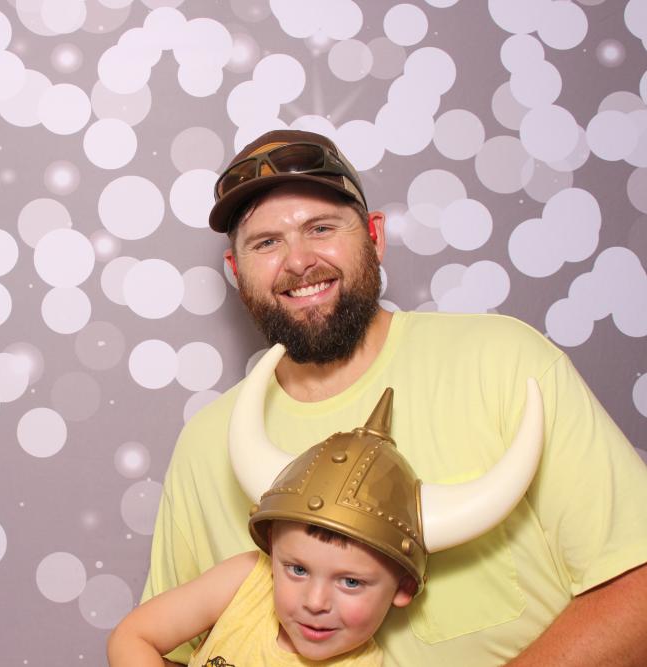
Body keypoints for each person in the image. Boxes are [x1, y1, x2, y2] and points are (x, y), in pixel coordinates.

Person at [141, 129, 647, 666]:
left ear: (374, 237)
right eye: (266, 243)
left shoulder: (503, 362)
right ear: (236, 271)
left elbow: (638, 587)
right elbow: (168, 650)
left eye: (321, 228)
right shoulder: (206, 444)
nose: (298, 261)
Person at [112, 344, 544, 666]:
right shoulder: (246, 581)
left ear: (403, 588)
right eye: (297, 569)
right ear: (272, 550)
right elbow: (133, 637)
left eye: (351, 582)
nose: (315, 601)